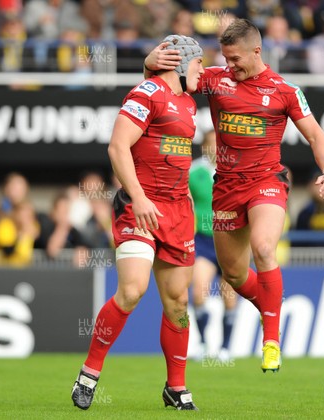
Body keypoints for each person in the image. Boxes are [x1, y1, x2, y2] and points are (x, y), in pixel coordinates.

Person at [144, 18, 324, 372]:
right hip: (227, 187)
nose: (229, 65)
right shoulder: (215, 80)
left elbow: (316, 136)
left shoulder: (285, 90)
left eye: (235, 59)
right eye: (224, 57)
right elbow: (167, 86)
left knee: (264, 248)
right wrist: (150, 64)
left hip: (267, 181)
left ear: (257, 51)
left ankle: (271, 339)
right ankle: (270, 308)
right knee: (233, 274)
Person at [71, 35, 204, 411]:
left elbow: (174, 155)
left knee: (178, 303)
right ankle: (89, 373)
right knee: (132, 290)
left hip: (177, 212)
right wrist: (141, 196)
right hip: (139, 205)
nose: (202, 70)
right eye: (197, 63)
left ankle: (175, 388)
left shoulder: (189, 103)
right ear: (179, 64)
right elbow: (117, 147)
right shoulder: (147, 93)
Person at [189, 130, 237, 362]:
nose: (214, 149)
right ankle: (202, 342)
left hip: (229, 239)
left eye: (218, 145)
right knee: (199, 291)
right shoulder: (193, 171)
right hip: (204, 240)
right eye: (210, 144)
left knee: (229, 295)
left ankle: (226, 347)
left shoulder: (234, 170)